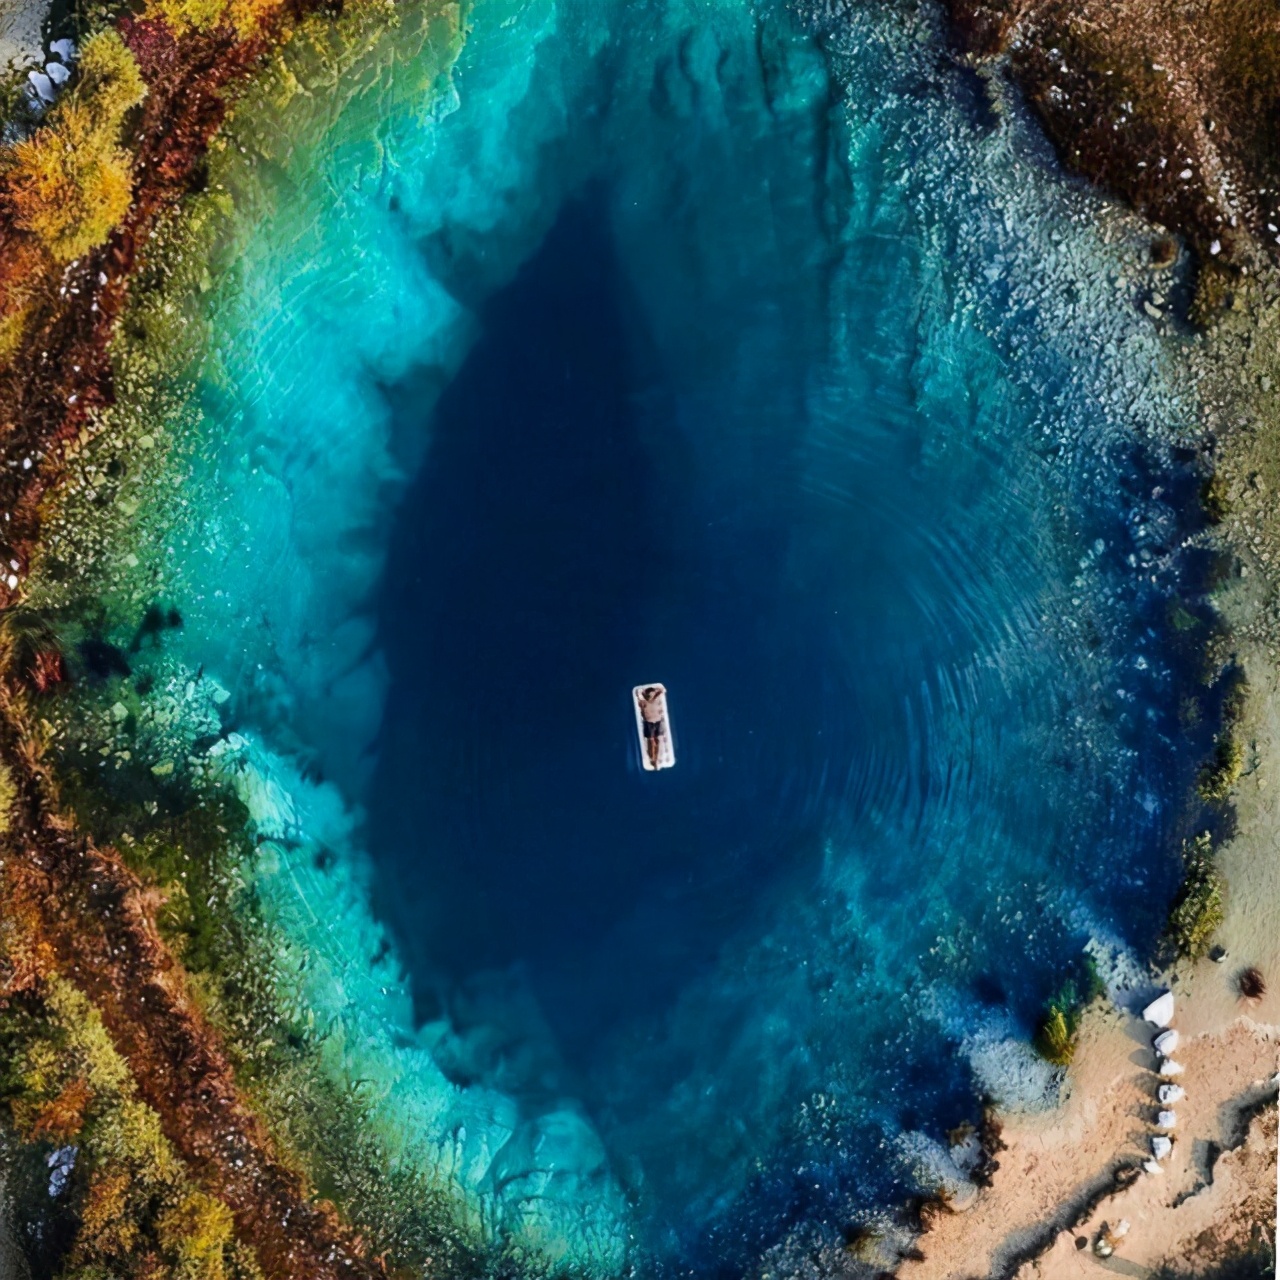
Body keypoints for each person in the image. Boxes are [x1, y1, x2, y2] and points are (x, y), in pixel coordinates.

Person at [638, 685, 666, 768]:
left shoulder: (657, 698)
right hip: (649, 722)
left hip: (658, 721)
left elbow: (662, 689)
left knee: (658, 740)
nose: (652, 696)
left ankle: (655, 759)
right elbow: (639, 694)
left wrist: (656, 692)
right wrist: (644, 693)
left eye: (653, 694)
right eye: (650, 695)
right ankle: (652, 759)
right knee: (651, 741)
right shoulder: (643, 702)